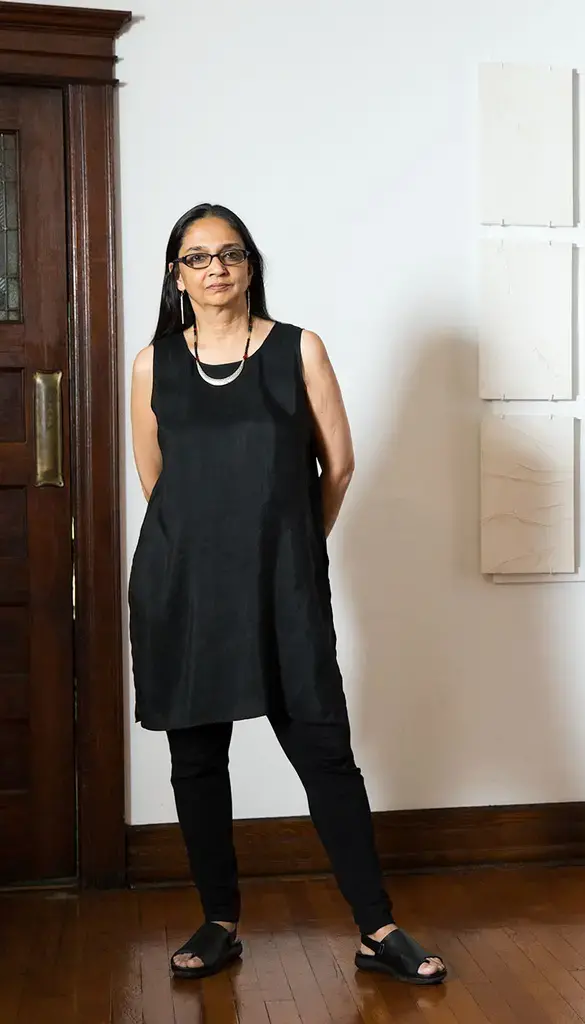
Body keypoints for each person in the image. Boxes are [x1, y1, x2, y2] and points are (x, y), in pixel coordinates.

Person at [128, 203, 446, 985]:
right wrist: (202, 553)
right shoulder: (152, 364)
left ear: (250, 264)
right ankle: (219, 922)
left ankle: (378, 928)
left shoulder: (300, 349)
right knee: (197, 761)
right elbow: (156, 483)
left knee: (325, 753)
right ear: (177, 275)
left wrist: (295, 549)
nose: (216, 268)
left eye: (229, 253)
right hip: (185, 591)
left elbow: (337, 466)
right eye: (197, 257)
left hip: (281, 587)